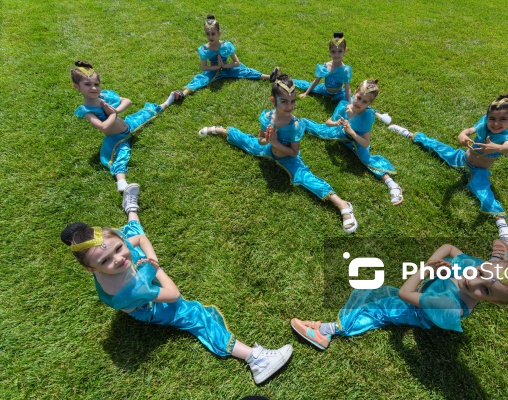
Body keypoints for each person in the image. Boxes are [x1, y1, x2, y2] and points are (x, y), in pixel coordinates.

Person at [60, 196, 293, 385]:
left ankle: (131, 206)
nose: (120, 258)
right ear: (92, 270)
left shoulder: (111, 251)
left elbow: (139, 238)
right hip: (147, 304)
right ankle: (256, 360)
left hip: (137, 278)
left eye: (120, 247)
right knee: (194, 315)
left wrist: (149, 255)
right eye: (106, 260)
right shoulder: (131, 289)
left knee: (132, 229)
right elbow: (173, 295)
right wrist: (155, 269)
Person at [290, 242, 508, 350]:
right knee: (493, 262)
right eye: (481, 271)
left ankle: (329, 331)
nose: (472, 280)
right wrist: (496, 259)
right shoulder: (474, 270)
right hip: (431, 294)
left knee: (379, 307)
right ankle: (499, 256)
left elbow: (405, 294)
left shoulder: (449, 305)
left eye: (486, 291)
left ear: (493, 302)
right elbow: (449, 248)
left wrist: (426, 270)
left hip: (419, 311)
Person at [198, 72, 358, 233]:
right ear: (273, 101)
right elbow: (260, 139)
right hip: (269, 148)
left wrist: (275, 142)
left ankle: (342, 204)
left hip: (288, 157)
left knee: (306, 178)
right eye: (284, 102)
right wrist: (266, 140)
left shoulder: (294, 125)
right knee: (247, 142)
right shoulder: (267, 117)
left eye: (292, 101)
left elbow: (294, 152)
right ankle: (222, 130)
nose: (289, 106)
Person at [389, 94, 508, 247]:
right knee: (438, 147)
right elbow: (469, 130)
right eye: (492, 118)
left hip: (478, 171)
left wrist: (496, 147)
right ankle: (410, 134)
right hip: (462, 158)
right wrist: (462, 135)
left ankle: (503, 226)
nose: (496, 123)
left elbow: (506, 148)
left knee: (484, 193)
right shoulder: (484, 125)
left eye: (503, 119)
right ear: (487, 117)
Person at [71, 60, 180, 194]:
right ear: (77, 87)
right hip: (117, 138)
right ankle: (121, 182)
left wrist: (115, 111)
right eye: (87, 84)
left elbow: (127, 101)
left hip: (129, 125)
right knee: (122, 155)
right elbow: (103, 127)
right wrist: (111, 114)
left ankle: (167, 102)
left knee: (146, 114)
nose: (93, 88)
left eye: (96, 84)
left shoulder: (103, 96)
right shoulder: (87, 110)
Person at [304, 79, 403, 205]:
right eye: (358, 98)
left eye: (365, 101)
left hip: (357, 140)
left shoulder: (367, 115)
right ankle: (296, 123)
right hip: (340, 132)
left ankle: (392, 185)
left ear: (370, 103)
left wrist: (352, 133)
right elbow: (328, 123)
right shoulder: (343, 105)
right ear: (354, 93)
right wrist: (335, 123)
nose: (359, 103)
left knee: (367, 160)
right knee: (319, 130)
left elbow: (366, 143)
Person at [180, 14, 274, 98]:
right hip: (213, 71)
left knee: (245, 72)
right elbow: (204, 67)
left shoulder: (226, 46)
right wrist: (217, 67)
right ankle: (183, 93)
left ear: (219, 33)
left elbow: (236, 62)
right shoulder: (205, 49)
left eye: (213, 34)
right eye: (208, 34)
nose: (210, 37)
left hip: (228, 68)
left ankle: (269, 77)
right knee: (201, 79)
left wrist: (224, 66)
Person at [293, 31, 352, 103]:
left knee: (350, 101)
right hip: (324, 90)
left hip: (339, 93)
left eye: (340, 51)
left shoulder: (344, 69)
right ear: (329, 51)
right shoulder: (326, 65)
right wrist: (306, 93)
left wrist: (349, 101)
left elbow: (347, 87)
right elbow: (317, 80)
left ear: (345, 51)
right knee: (306, 85)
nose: (336, 55)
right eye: (333, 52)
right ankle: (282, 78)